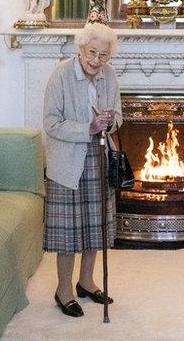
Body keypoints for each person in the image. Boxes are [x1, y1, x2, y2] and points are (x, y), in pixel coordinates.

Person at [42, 22, 121, 318]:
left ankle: (86, 282)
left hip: (99, 156)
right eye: (92, 53)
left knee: (94, 226)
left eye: (103, 55)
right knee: (69, 231)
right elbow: (50, 123)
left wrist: (110, 121)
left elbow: (119, 115)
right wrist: (87, 127)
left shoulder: (109, 75)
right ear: (80, 49)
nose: (96, 61)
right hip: (67, 162)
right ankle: (64, 289)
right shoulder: (61, 75)